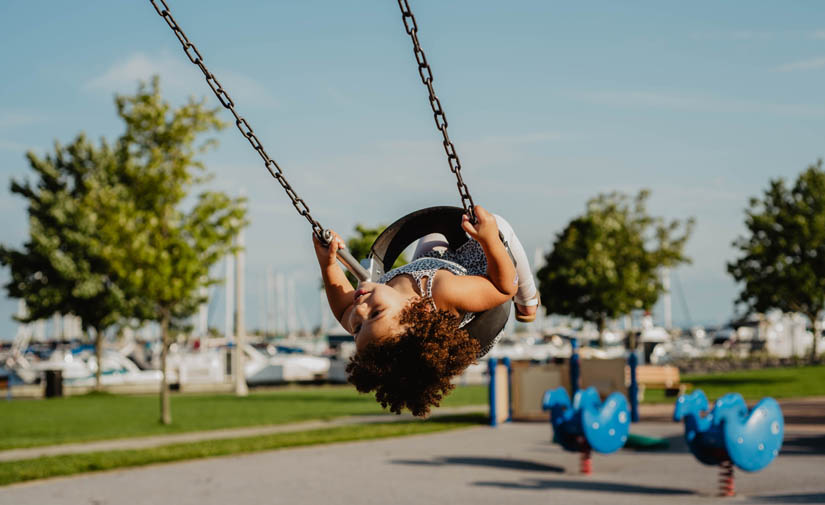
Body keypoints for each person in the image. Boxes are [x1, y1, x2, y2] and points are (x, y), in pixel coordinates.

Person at [313, 205, 539, 416]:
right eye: (376, 313)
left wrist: (328, 263)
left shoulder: (377, 316)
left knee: (435, 231)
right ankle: (528, 300)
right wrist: (489, 240)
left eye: (358, 327)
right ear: (418, 312)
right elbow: (503, 288)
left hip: (430, 263)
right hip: (480, 273)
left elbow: (344, 310)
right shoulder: (444, 291)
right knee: (499, 226)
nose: (360, 310)